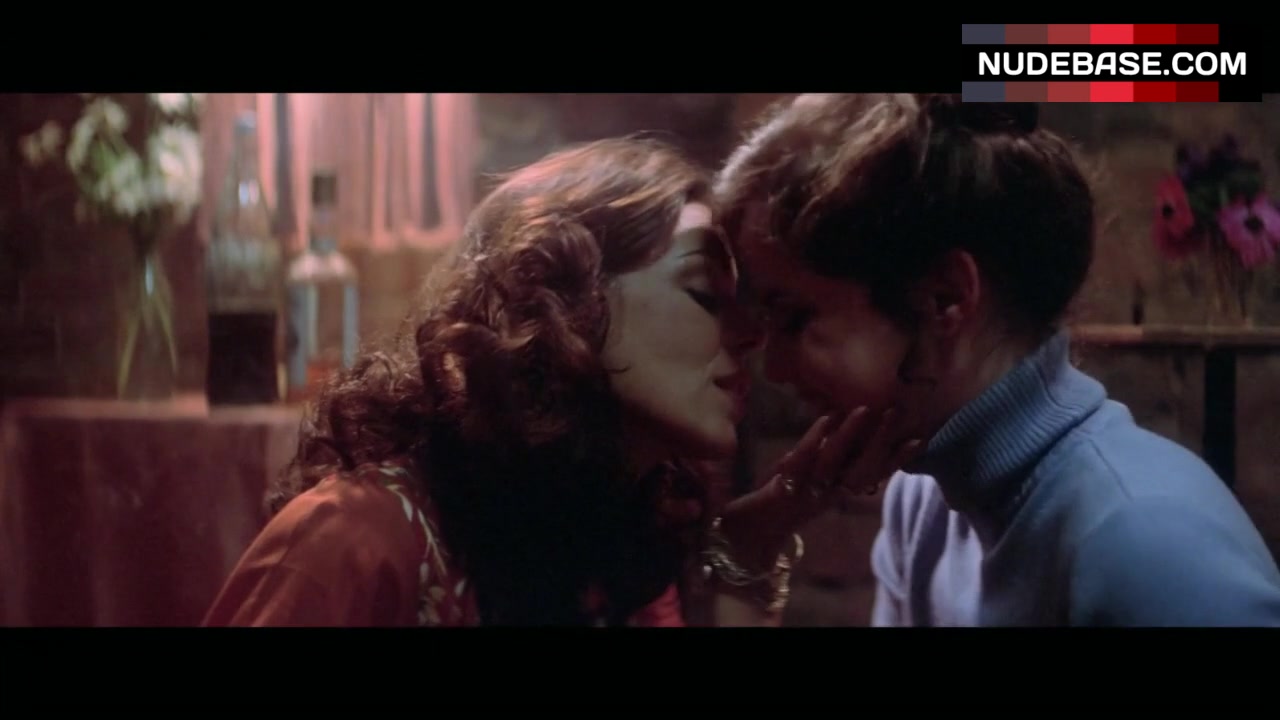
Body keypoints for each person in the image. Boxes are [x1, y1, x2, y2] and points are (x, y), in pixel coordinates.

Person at [203, 136, 907, 627]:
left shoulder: (617, 548)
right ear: (568, 293)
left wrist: (753, 546)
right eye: (703, 293)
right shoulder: (357, 538)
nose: (752, 336)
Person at [714, 92, 1280, 626]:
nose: (775, 369)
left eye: (795, 317)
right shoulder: (925, 502)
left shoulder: (1147, 541)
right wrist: (754, 539)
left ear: (945, 297)